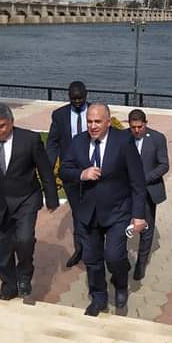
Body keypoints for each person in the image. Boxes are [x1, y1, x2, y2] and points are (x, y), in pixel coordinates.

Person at [60, 103, 146, 317]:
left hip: (118, 211)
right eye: (89, 121)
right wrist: (82, 174)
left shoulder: (124, 141)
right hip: (88, 213)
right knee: (92, 259)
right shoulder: (78, 141)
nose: (93, 126)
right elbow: (64, 170)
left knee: (114, 257)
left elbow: (137, 180)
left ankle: (120, 284)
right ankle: (98, 297)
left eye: (98, 121)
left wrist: (138, 215)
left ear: (108, 121)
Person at [0, 103, 59, 302]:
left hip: (26, 199)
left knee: (24, 240)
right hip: (1, 203)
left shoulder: (30, 140)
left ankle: (24, 275)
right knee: (2, 246)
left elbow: (44, 170)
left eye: (1, 126)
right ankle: (9, 285)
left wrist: (51, 198)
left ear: (11, 122)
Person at [46, 81, 89, 268]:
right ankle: (80, 250)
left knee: (94, 211)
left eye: (80, 98)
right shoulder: (59, 115)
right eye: (74, 98)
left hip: (92, 172)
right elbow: (53, 143)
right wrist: (48, 169)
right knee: (77, 213)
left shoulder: (96, 112)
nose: (77, 101)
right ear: (68, 96)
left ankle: (95, 248)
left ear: (86, 95)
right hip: (70, 173)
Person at [127, 109, 169, 281]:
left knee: (146, 227)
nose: (137, 130)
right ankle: (122, 261)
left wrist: (144, 179)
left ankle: (141, 263)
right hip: (126, 191)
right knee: (121, 224)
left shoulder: (157, 138)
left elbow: (164, 165)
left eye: (140, 127)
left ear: (146, 123)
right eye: (133, 127)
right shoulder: (123, 137)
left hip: (148, 191)